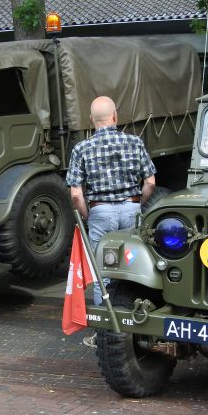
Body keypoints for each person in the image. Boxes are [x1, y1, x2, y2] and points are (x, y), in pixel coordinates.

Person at [66, 95, 156, 348]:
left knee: (102, 274)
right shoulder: (135, 142)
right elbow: (150, 182)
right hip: (131, 210)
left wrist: (89, 215)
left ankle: (104, 334)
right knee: (134, 269)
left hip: (100, 213)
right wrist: (137, 204)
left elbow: (76, 194)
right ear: (115, 116)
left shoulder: (81, 149)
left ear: (91, 120)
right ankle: (135, 327)